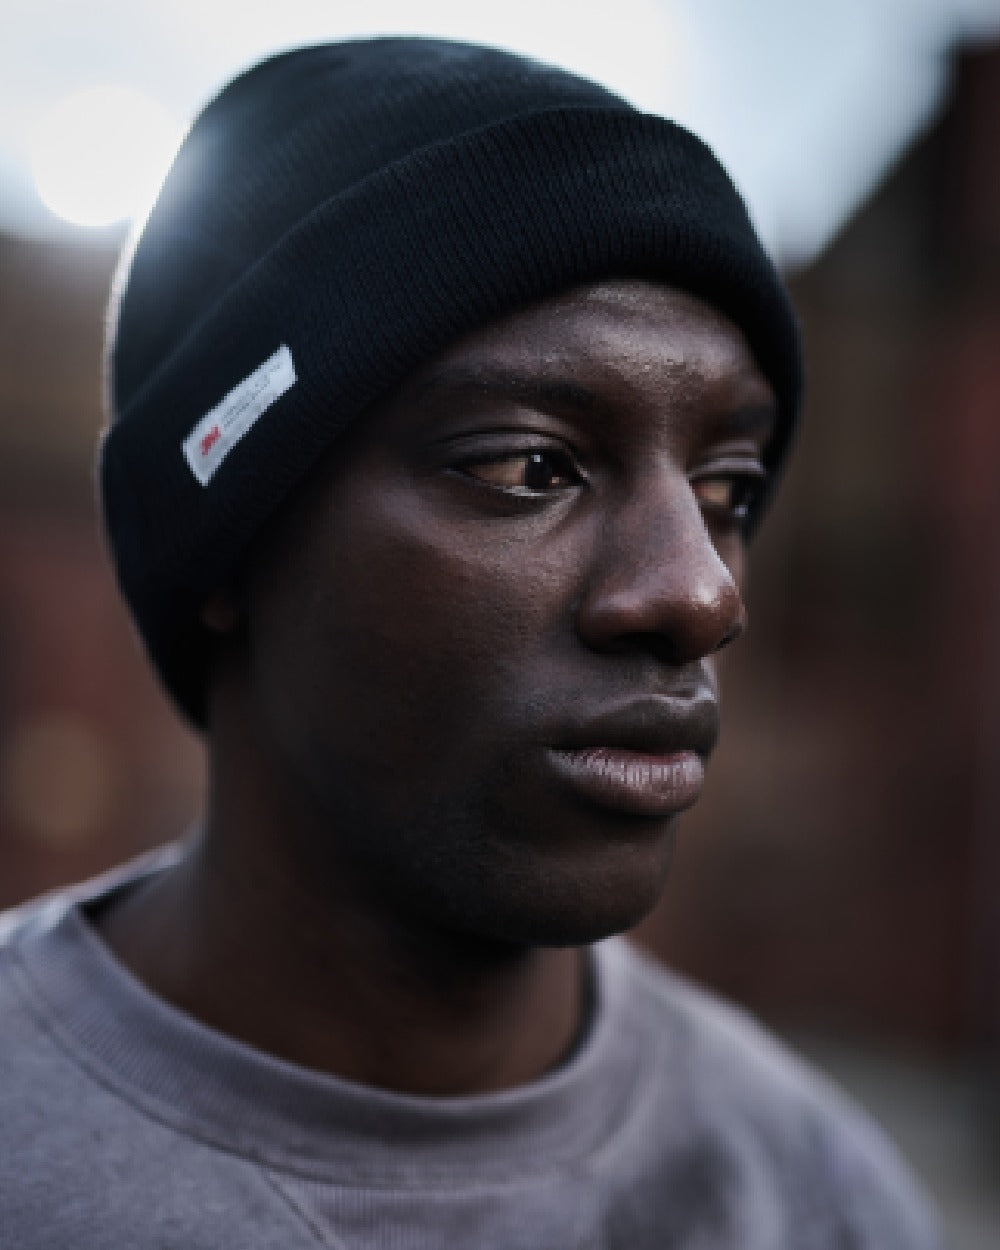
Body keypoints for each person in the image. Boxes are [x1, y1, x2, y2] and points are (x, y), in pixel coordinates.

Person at [0, 37, 941, 1248]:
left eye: (725, 485)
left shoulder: (812, 1195)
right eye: (528, 465)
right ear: (229, 538)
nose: (699, 594)